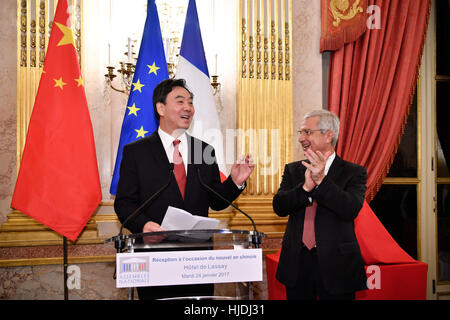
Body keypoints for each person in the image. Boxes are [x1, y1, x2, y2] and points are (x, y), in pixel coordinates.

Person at [114, 78, 254, 299]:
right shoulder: (137, 152)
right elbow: (124, 203)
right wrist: (144, 224)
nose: (188, 108)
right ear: (161, 108)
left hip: (198, 263)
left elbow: (216, 201)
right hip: (155, 258)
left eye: (190, 102)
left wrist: (235, 182)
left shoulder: (203, 150)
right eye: (180, 101)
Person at [272, 109, 367, 300]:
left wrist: (322, 181)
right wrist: (305, 188)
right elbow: (279, 207)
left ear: (328, 135)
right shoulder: (293, 170)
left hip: (337, 266)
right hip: (297, 264)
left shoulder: (354, 172)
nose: (301, 138)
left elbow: (351, 209)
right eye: (301, 133)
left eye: (307, 132)